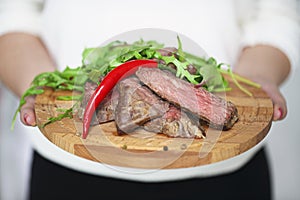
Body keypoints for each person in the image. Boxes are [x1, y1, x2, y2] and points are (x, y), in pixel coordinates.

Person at [0, 0, 299, 199]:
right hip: (68, 174)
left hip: (226, 174)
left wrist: (257, 77)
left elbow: (275, 17)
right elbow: (14, 16)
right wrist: (36, 82)